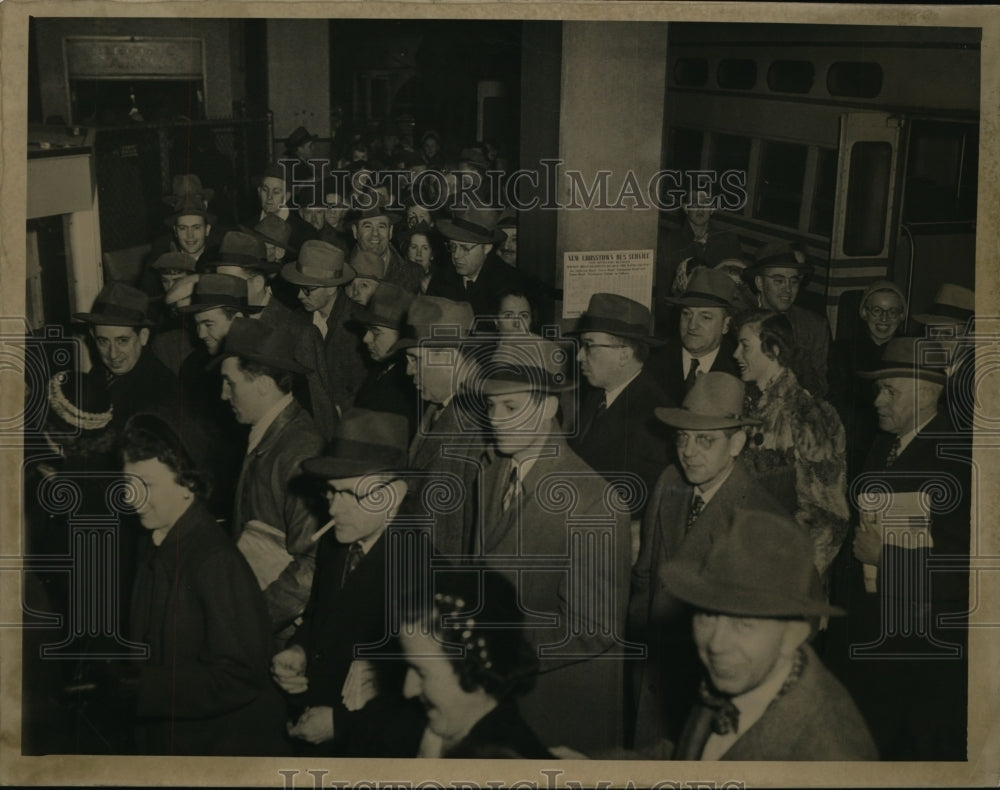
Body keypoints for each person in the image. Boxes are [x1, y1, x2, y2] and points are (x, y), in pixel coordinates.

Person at [475, 335, 632, 752]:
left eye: (511, 407)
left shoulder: (595, 501)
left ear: (547, 407)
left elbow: (593, 630)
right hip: (500, 699)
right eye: (491, 406)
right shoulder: (492, 471)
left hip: (556, 712)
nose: (496, 418)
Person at [825, 336, 970, 760]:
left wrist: (885, 559)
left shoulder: (956, 458)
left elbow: (964, 569)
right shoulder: (885, 444)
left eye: (890, 390)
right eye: (877, 389)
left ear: (927, 394)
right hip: (873, 643)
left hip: (918, 656)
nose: (877, 401)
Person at [628, 372, 791, 747]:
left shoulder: (761, 519)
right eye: (683, 437)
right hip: (653, 685)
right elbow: (644, 580)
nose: (689, 451)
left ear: (736, 443)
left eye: (705, 440)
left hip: (708, 702)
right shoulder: (670, 482)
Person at [116, 414, 288, 755]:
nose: (132, 498)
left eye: (147, 484)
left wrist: (145, 689)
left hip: (218, 747)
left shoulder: (213, 560)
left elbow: (240, 675)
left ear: (187, 483)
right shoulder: (154, 541)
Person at [660, 510, 878, 761]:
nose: (716, 645)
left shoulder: (829, 753)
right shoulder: (741, 672)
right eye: (707, 617)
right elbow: (695, 757)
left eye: (743, 625)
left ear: (793, 635)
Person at [272, 410, 415, 755]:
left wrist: (340, 725)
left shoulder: (423, 574)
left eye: (351, 494)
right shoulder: (336, 546)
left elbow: (422, 712)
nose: (335, 508)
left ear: (392, 496)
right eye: (331, 492)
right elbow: (320, 615)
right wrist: (299, 650)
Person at [215, 318, 325, 642]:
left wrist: (251, 622)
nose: (223, 394)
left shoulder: (299, 452)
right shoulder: (272, 437)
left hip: (279, 634)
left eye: (230, 383)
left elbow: (310, 566)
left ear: (263, 383)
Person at [733, 310, 849, 577]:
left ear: (773, 349)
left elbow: (827, 517)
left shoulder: (809, 415)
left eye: (745, 346)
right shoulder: (748, 406)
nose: (736, 354)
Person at [395, 572, 553, 758]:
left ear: (476, 670)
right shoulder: (401, 721)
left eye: (422, 673)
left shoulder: (513, 765)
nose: (408, 691)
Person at [569, 292, 673, 518]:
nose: (579, 356)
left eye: (589, 346)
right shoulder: (596, 396)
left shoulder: (654, 415)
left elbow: (643, 503)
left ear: (624, 354)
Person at [399, 295, 488, 556]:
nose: (408, 371)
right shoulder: (438, 405)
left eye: (415, 359)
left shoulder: (480, 423)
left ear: (447, 356)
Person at [72, 282, 182, 430]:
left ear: (143, 337)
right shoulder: (99, 374)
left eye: (122, 341)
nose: (113, 354)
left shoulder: (160, 390)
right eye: (103, 341)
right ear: (92, 336)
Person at [828, 280, 908, 480]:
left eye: (892, 311)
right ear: (864, 313)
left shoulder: (910, 353)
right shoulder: (843, 351)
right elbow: (839, 404)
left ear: (902, 315)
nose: (884, 318)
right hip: (855, 448)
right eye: (876, 310)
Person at [280, 240, 368, 413]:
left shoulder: (359, 325)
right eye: (298, 288)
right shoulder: (296, 319)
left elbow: (361, 388)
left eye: (307, 289)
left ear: (331, 288)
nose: (299, 295)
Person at [743, 241, 831, 397]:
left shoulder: (814, 327)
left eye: (794, 281)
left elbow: (820, 387)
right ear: (759, 283)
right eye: (779, 280)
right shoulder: (739, 322)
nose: (788, 289)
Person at [648, 266, 742, 404]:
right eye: (686, 314)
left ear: (726, 325)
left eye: (705, 317)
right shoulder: (652, 364)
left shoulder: (739, 370)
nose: (692, 325)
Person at [426, 207, 524, 319]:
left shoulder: (509, 283)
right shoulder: (441, 278)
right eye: (453, 246)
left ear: (486, 248)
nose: (456, 255)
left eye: (465, 248)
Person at [350, 282, 418, 438]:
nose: (366, 339)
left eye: (376, 332)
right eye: (366, 330)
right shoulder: (380, 368)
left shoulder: (410, 387)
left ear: (401, 336)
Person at [912, 282, 976, 434]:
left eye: (947, 334)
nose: (936, 341)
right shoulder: (920, 368)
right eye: (933, 332)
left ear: (972, 339)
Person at [350, 203, 425, 294]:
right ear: (355, 231)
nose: (375, 233)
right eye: (367, 226)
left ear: (390, 231)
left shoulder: (414, 275)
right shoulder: (340, 271)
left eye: (381, 226)